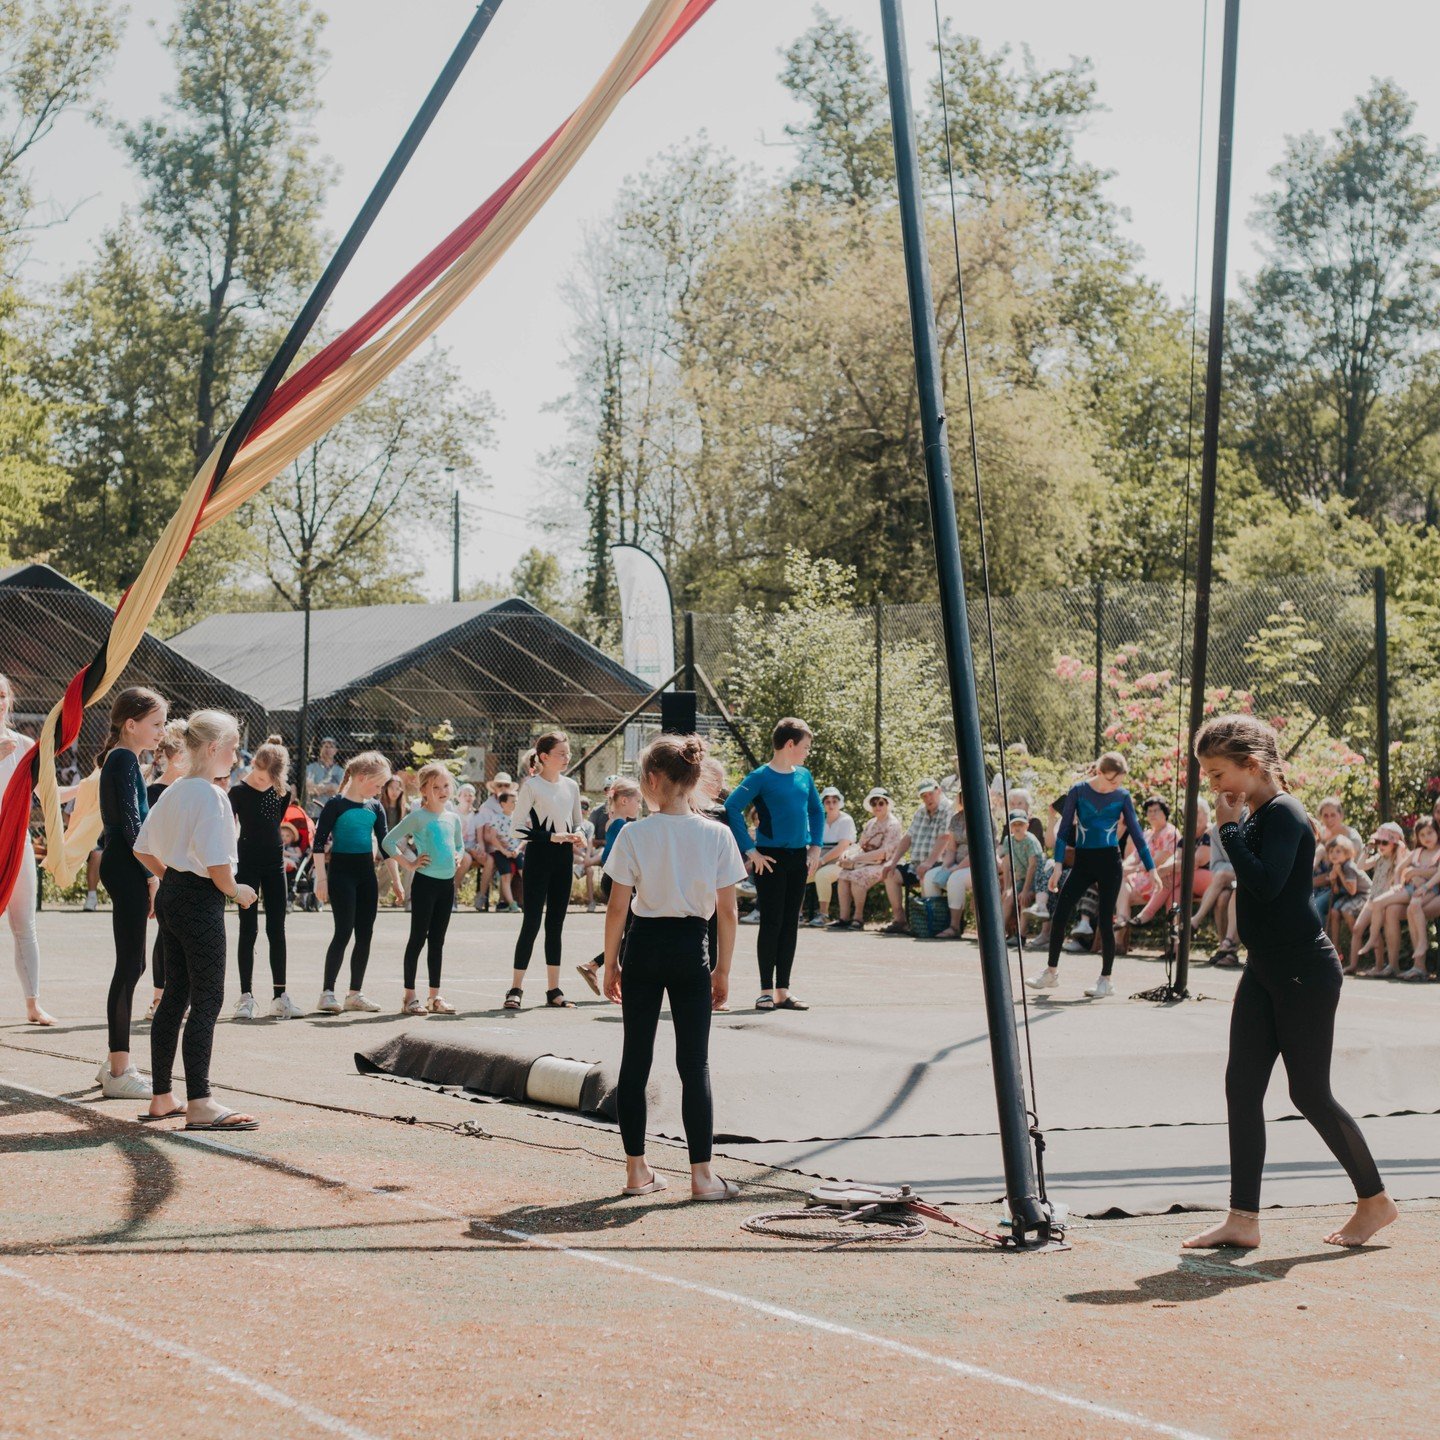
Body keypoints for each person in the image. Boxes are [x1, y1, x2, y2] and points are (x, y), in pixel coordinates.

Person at [1182, 713, 1395, 1250]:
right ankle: (1243, 1218)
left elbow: (1270, 886)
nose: (1212, 786)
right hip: (1264, 970)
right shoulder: (1256, 813)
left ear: (1251, 766)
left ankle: (1374, 1201)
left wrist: (1226, 830)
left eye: (1215, 774)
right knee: (1241, 1087)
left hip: (1303, 972)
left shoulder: (1284, 813)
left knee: (1310, 1093)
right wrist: (1232, 827)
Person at [603, 734, 746, 1201]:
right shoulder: (718, 834)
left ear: (650, 781)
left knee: (635, 1060)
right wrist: (722, 970)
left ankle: (636, 1171)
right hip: (691, 945)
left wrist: (610, 964)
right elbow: (727, 913)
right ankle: (702, 1177)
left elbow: (617, 909)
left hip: (643, 946)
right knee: (694, 1063)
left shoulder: (633, 833)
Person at [134, 709, 259, 1131]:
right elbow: (218, 862)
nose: (237, 756)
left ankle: (162, 1097)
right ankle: (200, 1102)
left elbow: (141, 848)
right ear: (212, 749)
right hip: (199, 900)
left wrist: (173, 878)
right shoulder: (211, 794)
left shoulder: (174, 790)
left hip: (173, 897)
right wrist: (235, 891)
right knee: (207, 999)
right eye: (233, 748)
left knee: (175, 996)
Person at [1028, 751, 1160, 1000]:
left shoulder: (1122, 796)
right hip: (1083, 862)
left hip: (1110, 862)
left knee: (1104, 920)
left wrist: (1152, 869)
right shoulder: (1078, 791)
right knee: (1060, 913)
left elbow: (1137, 834)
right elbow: (1065, 830)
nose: (1115, 786)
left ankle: (1105, 980)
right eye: (1112, 781)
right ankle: (1051, 971)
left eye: (1119, 781)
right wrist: (1057, 865)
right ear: (1099, 772)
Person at [96, 687, 169, 1099]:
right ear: (131, 724)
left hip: (126, 865)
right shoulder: (123, 759)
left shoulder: (125, 760)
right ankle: (120, 1069)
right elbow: (132, 827)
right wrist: (154, 875)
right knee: (131, 965)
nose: (161, 731)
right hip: (126, 867)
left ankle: (114, 1061)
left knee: (134, 964)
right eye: (156, 724)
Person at [723, 717, 824, 1011]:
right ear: (789, 744)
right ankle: (766, 990)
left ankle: (783, 991)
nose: (807, 752)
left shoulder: (804, 775)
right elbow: (731, 807)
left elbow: (816, 812)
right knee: (771, 922)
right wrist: (751, 851)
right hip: (769, 860)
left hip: (798, 858)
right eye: (805, 746)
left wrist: (815, 848)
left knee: (791, 923)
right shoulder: (760, 776)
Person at [313, 752, 402, 1014]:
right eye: (377, 785)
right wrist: (321, 878)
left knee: (365, 934)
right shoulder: (336, 804)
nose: (379, 791)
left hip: (366, 876)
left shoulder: (375, 807)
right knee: (343, 931)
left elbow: (386, 846)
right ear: (361, 778)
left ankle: (354, 994)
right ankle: (327, 993)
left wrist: (396, 880)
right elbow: (318, 843)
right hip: (341, 874)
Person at [506, 732, 586, 1010]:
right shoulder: (532, 786)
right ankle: (515, 988)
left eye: (568, 753)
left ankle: (554, 989)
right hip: (539, 857)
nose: (567, 758)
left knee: (556, 924)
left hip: (563, 859)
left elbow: (578, 822)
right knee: (531, 922)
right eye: (561, 753)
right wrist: (550, 837)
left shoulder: (571, 786)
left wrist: (578, 834)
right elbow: (516, 828)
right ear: (544, 757)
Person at [383, 762, 468, 1015]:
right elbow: (388, 842)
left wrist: (458, 856)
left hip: (446, 886)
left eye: (445, 786)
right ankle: (409, 997)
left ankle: (435, 997)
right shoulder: (417, 817)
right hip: (425, 885)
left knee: (437, 941)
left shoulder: (453, 818)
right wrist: (409, 863)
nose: (442, 791)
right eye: (435, 787)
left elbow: (460, 846)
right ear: (424, 791)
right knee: (418, 938)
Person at [0, 672, 59, 1025]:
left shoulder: (23, 744)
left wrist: (89, 791)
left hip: (17, 840)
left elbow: (45, 792)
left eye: (2, 696)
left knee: (25, 923)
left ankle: (33, 1004)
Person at [230, 739, 300, 1020]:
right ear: (253, 764)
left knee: (277, 928)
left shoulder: (282, 792)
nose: (261, 780)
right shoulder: (237, 792)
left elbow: (275, 824)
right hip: (246, 864)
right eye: (258, 773)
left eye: (267, 777)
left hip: (274, 865)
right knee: (248, 929)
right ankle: (246, 996)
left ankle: (280, 996)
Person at [575, 777, 642, 995]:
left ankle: (597, 967)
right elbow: (619, 856)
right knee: (634, 933)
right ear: (623, 801)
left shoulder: (613, 823)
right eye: (637, 801)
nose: (640, 806)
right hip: (617, 880)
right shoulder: (623, 826)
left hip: (613, 878)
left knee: (631, 932)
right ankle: (602, 969)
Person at [142, 721, 190, 1022]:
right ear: (174, 757)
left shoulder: (194, 789)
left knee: (186, 936)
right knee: (164, 934)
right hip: (163, 871)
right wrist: (155, 878)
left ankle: (180, 997)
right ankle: (159, 997)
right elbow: (146, 840)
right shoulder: (154, 791)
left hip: (187, 871)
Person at [1363, 815, 1440, 981]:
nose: (1426, 838)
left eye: (1430, 833)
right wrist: (1401, 881)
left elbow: (1436, 873)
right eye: (1422, 835)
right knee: (1390, 909)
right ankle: (1393, 965)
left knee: (1414, 906)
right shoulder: (1418, 852)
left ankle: (1420, 963)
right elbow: (1401, 869)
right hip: (1413, 889)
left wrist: (1417, 874)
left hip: (1430, 891)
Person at [880, 780, 954, 937]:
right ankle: (900, 921)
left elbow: (945, 837)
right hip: (916, 864)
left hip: (940, 863)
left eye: (930, 794)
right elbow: (908, 837)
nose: (928, 799)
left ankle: (929, 924)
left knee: (926, 876)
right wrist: (893, 862)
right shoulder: (921, 811)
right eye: (924, 796)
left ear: (939, 791)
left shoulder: (949, 809)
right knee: (890, 874)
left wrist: (928, 863)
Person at [835, 788, 904, 931]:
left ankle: (858, 918)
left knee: (857, 876)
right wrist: (847, 853)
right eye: (874, 803)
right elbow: (861, 845)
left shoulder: (893, 824)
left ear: (887, 804)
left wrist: (856, 858)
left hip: (885, 864)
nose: (877, 806)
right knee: (842, 875)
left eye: (880, 803)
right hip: (865, 862)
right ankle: (844, 918)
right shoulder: (870, 823)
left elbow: (884, 853)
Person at [1117, 797, 1181, 927]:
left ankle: (1120, 929)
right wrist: (1122, 867)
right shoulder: (1146, 834)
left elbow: (1157, 861)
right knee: (1119, 883)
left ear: (1165, 813)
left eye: (1156, 810)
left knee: (1119, 889)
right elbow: (1135, 857)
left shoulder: (1171, 833)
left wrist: (1132, 870)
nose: (1152, 814)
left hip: (1157, 881)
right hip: (1137, 880)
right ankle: (1121, 926)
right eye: (1149, 811)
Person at [1349, 822, 1403, 975]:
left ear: (1395, 844)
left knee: (1382, 931)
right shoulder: (1379, 857)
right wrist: (1368, 849)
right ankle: (1353, 965)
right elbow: (1359, 867)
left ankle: (1382, 966)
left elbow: (1400, 870)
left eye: (1384, 842)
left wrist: (1399, 849)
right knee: (1357, 928)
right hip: (1372, 899)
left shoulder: (1397, 859)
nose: (1381, 845)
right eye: (1378, 841)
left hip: (1386, 900)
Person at [924, 794, 971, 939]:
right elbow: (951, 847)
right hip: (956, 863)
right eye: (963, 798)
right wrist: (946, 866)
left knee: (955, 879)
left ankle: (955, 927)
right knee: (930, 877)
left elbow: (978, 851)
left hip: (976, 866)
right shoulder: (956, 818)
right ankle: (937, 923)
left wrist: (955, 869)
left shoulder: (985, 819)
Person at [809, 787, 856, 927]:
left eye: (834, 801)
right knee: (799, 875)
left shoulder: (846, 820)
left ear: (839, 803)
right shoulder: (818, 820)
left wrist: (822, 861)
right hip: (818, 859)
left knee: (822, 875)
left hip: (840, 862)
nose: (831, 805)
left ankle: (824, 915)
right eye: (827, 801)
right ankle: (795, 915)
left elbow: (842, 846)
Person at [997, 809, 1044, 937]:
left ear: (1027, 825)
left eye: (1020, 824)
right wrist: (1007, 887)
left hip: (1037, 880)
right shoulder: (1008, 840)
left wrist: (1025, 890)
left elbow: (1033, 866)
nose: (1017, 828)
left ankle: (1021, 935)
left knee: (1024, 899)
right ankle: (999, 934)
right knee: (1008, 897)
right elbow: (1006, 864)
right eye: (1014, 825)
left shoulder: (1031, 841)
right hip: (1022, 879)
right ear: (1010, 827)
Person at [472, 771, 514, 912]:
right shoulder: (487, 807)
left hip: (510, 846)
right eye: (499, 785)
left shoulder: (513, 805)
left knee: (515, 859)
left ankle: (505, 901)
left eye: (506, 785)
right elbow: (486, 834)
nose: (503, 787)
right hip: (491, 846)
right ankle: (482, 896)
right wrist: (501, 844)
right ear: (494, 788)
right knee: (492, 861)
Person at [1322, 835, 1371, 956]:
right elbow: (1337, 891)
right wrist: (1333, 880)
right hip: (1352, 896)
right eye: (1331, 851)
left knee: (1345, 909)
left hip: (1365, 894)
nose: (1334, 854)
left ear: (1347, 852)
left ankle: (1358, 941)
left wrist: (1340, 874)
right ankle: (1334, 948)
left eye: (1338, 851)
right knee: (1334, 911)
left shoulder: (1348, 866)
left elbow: (1352, 890)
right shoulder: (1335, 866)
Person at [305, 738, 344, 819]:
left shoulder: (341, 771)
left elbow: (342, 792)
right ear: (320, 749)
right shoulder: (310, 768)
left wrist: (319, 788)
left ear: (336, 750)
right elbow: (310, 790)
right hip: (314, 814)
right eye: (325, 746)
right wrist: (331, 787)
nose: (328, 749)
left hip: (334, 815)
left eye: (331, 747)